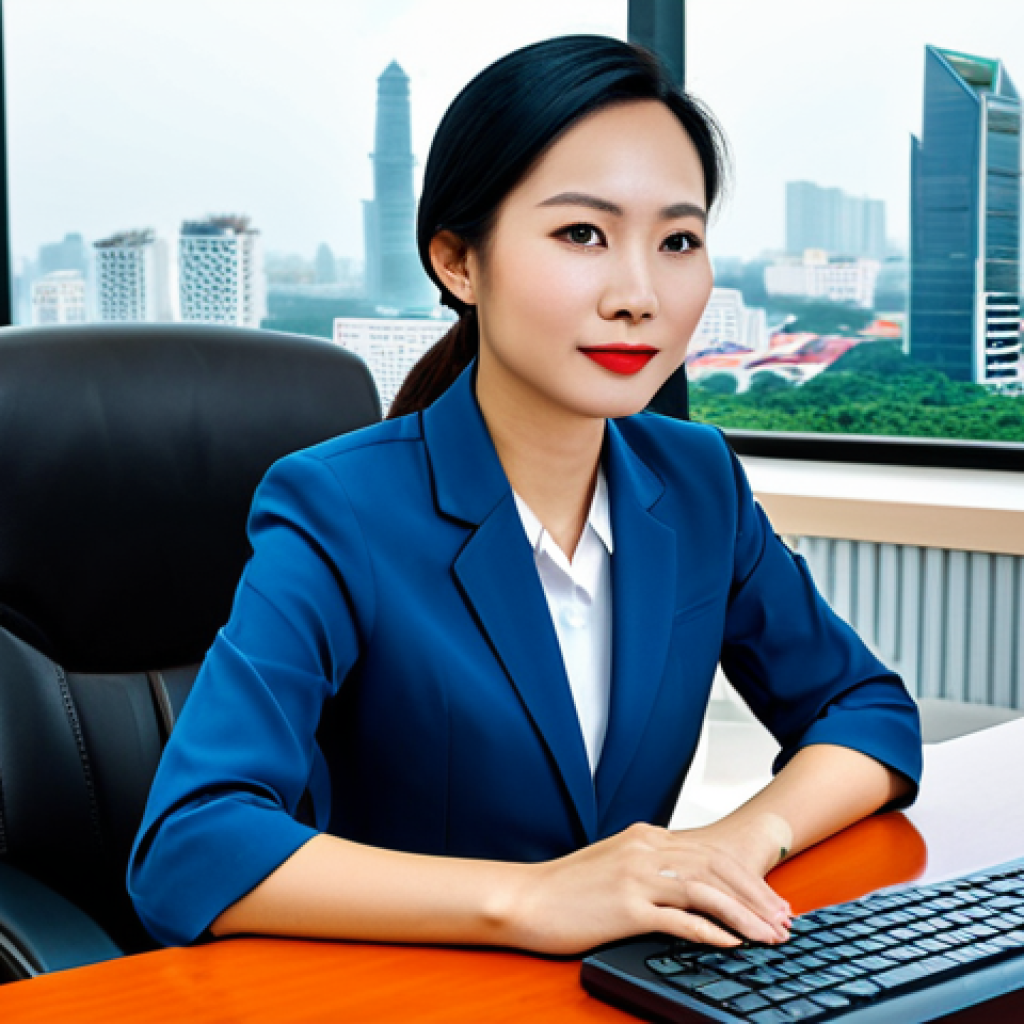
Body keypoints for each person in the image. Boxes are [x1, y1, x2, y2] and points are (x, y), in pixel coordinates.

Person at [128, 34, 922, 955]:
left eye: (678, 240)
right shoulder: (335, 506)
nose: (638, 293)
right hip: (407, 996)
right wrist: (533, 900)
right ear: (459, 263)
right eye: (582, 233)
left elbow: (865, 710)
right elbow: (192, 844)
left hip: (635, 987)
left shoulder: (697, 480)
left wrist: (726, 847)